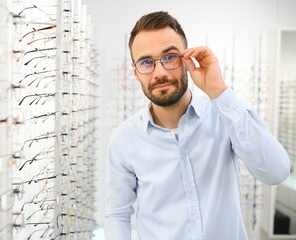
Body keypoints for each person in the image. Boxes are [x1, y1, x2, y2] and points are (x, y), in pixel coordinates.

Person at [104, 11, 290, 240]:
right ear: (135, 71)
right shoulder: (125, 139)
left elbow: (277, 172)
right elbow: (117, 214)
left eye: (169, 57)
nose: (160, 72)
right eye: (146, 62)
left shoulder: (225, 115)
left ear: (186, 59)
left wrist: (219, 90)